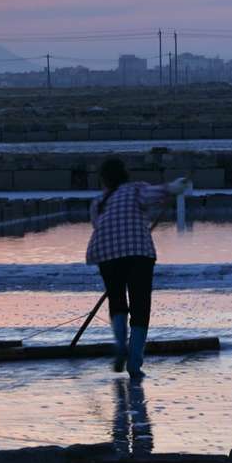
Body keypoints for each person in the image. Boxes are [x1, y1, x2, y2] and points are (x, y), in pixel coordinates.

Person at [85, 158, 187, 379]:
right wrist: (176, 187)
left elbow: (99, 226)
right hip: (138, 252)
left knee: (117, 300)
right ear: (125, 175)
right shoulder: (134, 189)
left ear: (103, 180)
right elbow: (157, 193)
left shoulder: (98, 202)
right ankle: (134, 363)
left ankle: (121, 344)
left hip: (105, 252)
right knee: (140, 306)